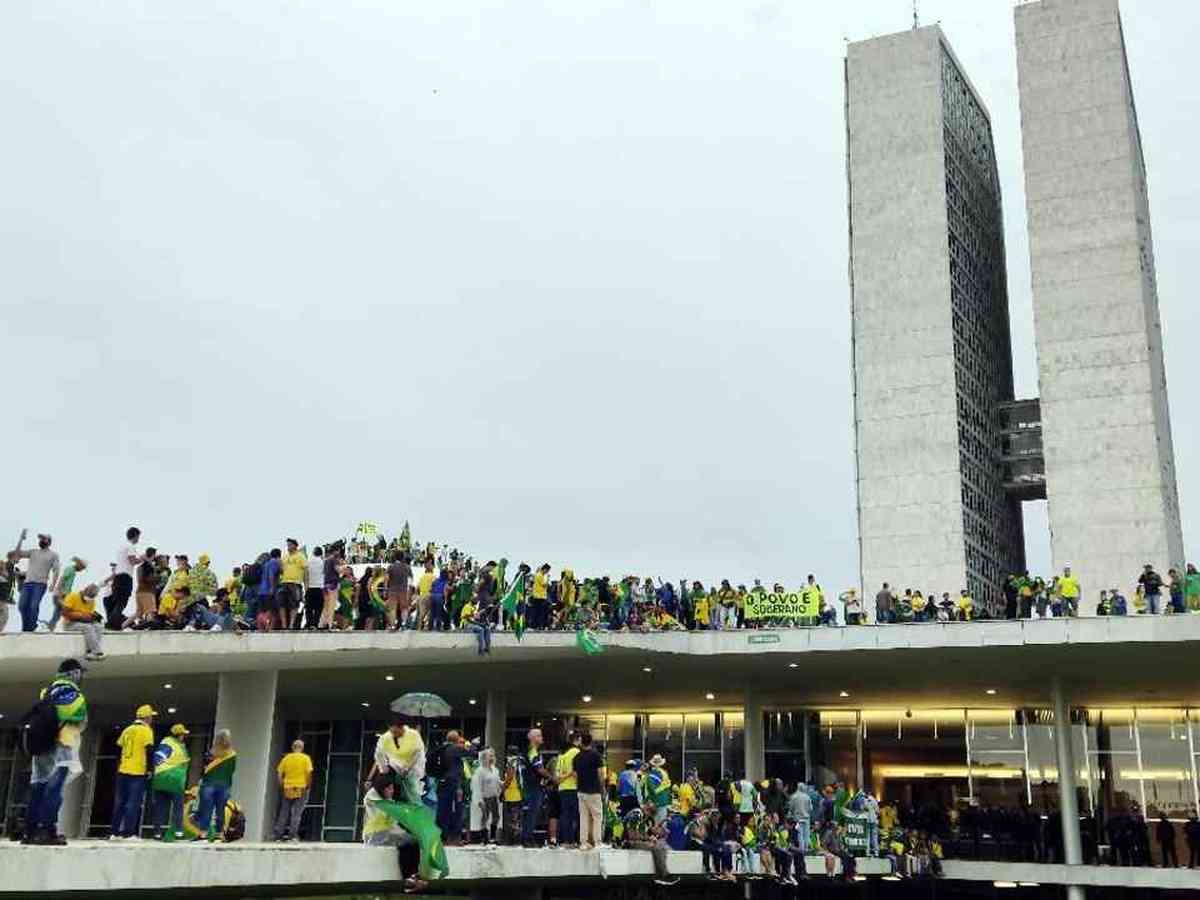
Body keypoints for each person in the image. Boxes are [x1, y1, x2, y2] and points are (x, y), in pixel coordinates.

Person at [24, 658, 88, 845]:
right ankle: (47, 830)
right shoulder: (74, 694)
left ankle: (30, 831)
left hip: (42, 743)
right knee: (54, 789)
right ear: (74, 674)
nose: (81, 676)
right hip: (63, 745)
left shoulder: (48, 691)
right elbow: (79, 717)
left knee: (39, 786)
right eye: (80, 673)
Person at [362, 772, 424, 892]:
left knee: (411, 841)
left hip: (387, 833)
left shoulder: (388, 800)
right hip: (375, 834)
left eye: (392, 788)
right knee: (407, 841)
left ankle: (413, 877)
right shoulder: (372, 797)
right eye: (389, 788)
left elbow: (394, 824)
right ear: (382, 788)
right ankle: (408, 879)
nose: (392, 791)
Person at [112, 704, 157, 839]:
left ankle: (114, 832)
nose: (152, 719)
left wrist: (119, 765)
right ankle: (129, 832)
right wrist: (150, 769)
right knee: (133, 803)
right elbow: (149, 750)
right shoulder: (146, 731)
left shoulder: (127, 730)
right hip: (137, 771)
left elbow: (118, 749)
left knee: (120, 802)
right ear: (147, 718)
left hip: (123, 770)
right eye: (151, 717)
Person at [10, 529, 61, 633]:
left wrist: (53, 584)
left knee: (33, 606)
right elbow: (17, 553)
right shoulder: (33, 552)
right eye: (40, 539)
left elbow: (56, 570)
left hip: (40, 584)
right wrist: (21, 539)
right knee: (22, 606)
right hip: (27, 584)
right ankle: (27, 628)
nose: (41, 540)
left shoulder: (53, 555)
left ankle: (31, 627)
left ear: (49, 541)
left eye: (43, 539)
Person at [192, 729, 237, 841]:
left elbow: (205, 769)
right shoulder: (233, 755)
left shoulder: (211, 753)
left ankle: (203, 834)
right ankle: (219, 834)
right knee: (220, 810)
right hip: (224, 785)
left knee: (207, 809)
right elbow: (232, 771)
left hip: (209, 784)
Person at [372, 714, 426, 801]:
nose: (394, 734)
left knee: (411, 795)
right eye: (392, 732)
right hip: (394, 770)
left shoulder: (413, 736)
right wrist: (383, 768)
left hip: (410, 773)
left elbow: (417, 755)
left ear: (402, 728)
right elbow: (379, 754)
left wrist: (408, 768)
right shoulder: (386, 738)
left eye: (396, 732)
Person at [151, 723, 191, 841]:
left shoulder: (166, 742)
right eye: (183, 734)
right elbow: (158, 757)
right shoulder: (173, 745)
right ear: (179, 735)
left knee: (160, 807)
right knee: (178, 806)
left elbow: (157, 758)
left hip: (160, 780)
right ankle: (178, 832)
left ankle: (157, 833)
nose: (184, 736)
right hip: (174, 780)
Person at [435, 731, 474, 845]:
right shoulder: (455, 749)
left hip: (442, 783)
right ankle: (455, 837)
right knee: (457, 810)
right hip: (454, 784)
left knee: (443, 810)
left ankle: (442, 837)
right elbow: (472, 752)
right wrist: (469, 744)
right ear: (457, 740)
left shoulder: (441, 749)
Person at [273, 739, 314, 841]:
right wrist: (308, 785)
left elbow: (279, 773)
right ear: (302, 748)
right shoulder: (306, 758)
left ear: (293, 747)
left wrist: (281, 785)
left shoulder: (287, 758)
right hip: (301, 787)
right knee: (296, 813)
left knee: (284, 812)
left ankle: (278, 835)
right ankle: (292, 836)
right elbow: (309, 773)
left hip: (287, 787)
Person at [573, 732, 604, 851]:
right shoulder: (596, 756)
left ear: (581, 742)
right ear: (591, 742)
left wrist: (579, 786)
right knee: (597, 816)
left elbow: (575, 775)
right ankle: (597, 841)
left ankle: (583, 842)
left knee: (583, 817)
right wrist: (602, 788)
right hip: (594, 791)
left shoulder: (577, 757)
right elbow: (600, 774)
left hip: (581, 791)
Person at [60, 583, 106, 661]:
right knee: (87, 627)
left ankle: (89, 652)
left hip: (84, 622)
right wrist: (80, 615)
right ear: (84, 591)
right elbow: (64, 613)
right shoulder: (73, 596)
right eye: (89, 596)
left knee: (99, 627)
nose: (89, 598)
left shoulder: (92, 602)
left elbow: (89, 615)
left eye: (92, 597)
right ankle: (97, 652)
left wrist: (91, 617)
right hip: (69, 623)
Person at [521, 728, 550, 846]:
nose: (542, 738)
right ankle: (527, 838)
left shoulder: (530, 751)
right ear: (533, 738)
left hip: (530, 786)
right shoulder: (533, 752)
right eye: (539, 735)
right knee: (533, 812)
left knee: (531, 812)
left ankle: (527, 837)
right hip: (533, 787)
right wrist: (552, 778)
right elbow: (539, 769)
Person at [108, 527, 142, 631]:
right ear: (135, 535)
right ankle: (113, 624)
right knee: (122, 602)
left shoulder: (121, 547)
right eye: (138, 537)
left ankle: (112, 623)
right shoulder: (130, 546)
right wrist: (143, 559)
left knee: (118, 602)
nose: (138, 539)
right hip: (125, 578)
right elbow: (132, 561)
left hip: (118, 577)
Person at [469, 747, 502, 843]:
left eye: (492, 755)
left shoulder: (495, 770)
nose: (492, 757)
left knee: (496, 816)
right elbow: (476, 786)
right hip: (484, 797)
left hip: (494, 796)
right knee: (485, 817)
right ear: (484, 757)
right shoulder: (480, 771)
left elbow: (498, 782)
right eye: (490, 756)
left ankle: (492, 837)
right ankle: (484, 838)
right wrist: (479, 800)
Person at [556, 730, 581, 847]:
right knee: (577, 816)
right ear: (578, 740)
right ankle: (575, 840)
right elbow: (577, 772)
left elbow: (557, 776)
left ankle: (565, 841)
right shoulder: (577, 752)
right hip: (574, 788)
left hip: (562, 789)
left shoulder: (561, 756)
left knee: (565, 816)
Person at [48, 555, 86, 631]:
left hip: (63, 594)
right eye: (82, 568)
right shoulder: (70, 569)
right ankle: (70, 627)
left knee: (58, 612)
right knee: (67, 611)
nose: (82, 570)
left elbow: (67, 583)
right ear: (79, 565)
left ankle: (51, 626)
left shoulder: (73, 571)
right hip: (61, 594)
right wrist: (59, 593)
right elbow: (62, 579)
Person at [278, 539, 306, 631]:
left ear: (295, 546)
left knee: (294, 605)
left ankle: (291, 624)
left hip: (295, 583)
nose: (288, 547)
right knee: (281, 604)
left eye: (290, 545)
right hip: (284, 582)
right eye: (287, 545)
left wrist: (306, 585)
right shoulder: (284, 557)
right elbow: (281, 570)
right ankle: (284, 625)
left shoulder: (300, 556)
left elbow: (305, 570)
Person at [387, 554, 413, 630]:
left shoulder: (391, 567)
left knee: (392, 608)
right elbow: (411, 579)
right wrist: (410, 590)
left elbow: (387, 578)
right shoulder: (407, 567)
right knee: (404, 608)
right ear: (403, 558)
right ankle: (403, 623)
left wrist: (386, 588)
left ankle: (393, 625)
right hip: (403, 590)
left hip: (392, 590)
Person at [304, 546, 325, 630]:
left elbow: (305, 574)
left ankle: (308, 623)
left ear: (313, 553)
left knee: (308, 607)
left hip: (309, 587)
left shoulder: (308, 561)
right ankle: (315, 624)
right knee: (318, 608)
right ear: (321, 553)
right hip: (319, 587)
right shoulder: (322, 562)